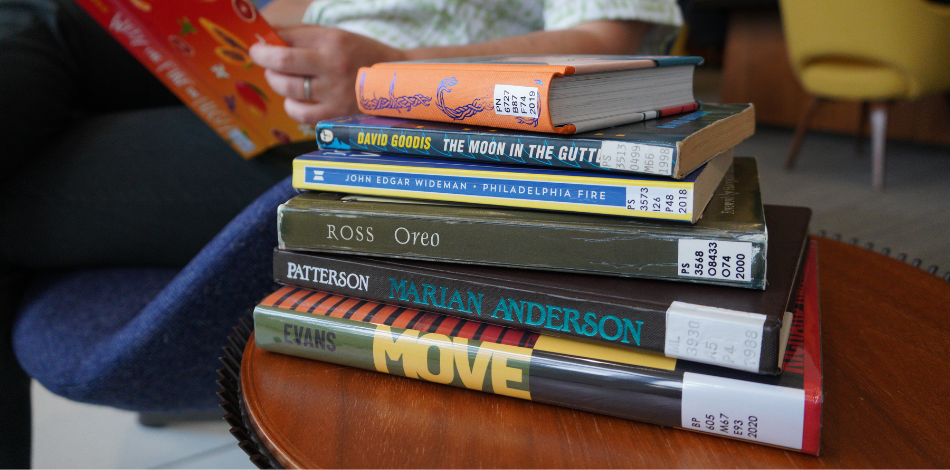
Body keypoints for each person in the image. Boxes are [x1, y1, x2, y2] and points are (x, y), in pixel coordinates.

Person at [0, 0, 682, 467]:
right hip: (270, 79)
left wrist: (392, 75)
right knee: (36, 15)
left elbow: (608, 48)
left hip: (384, 125)